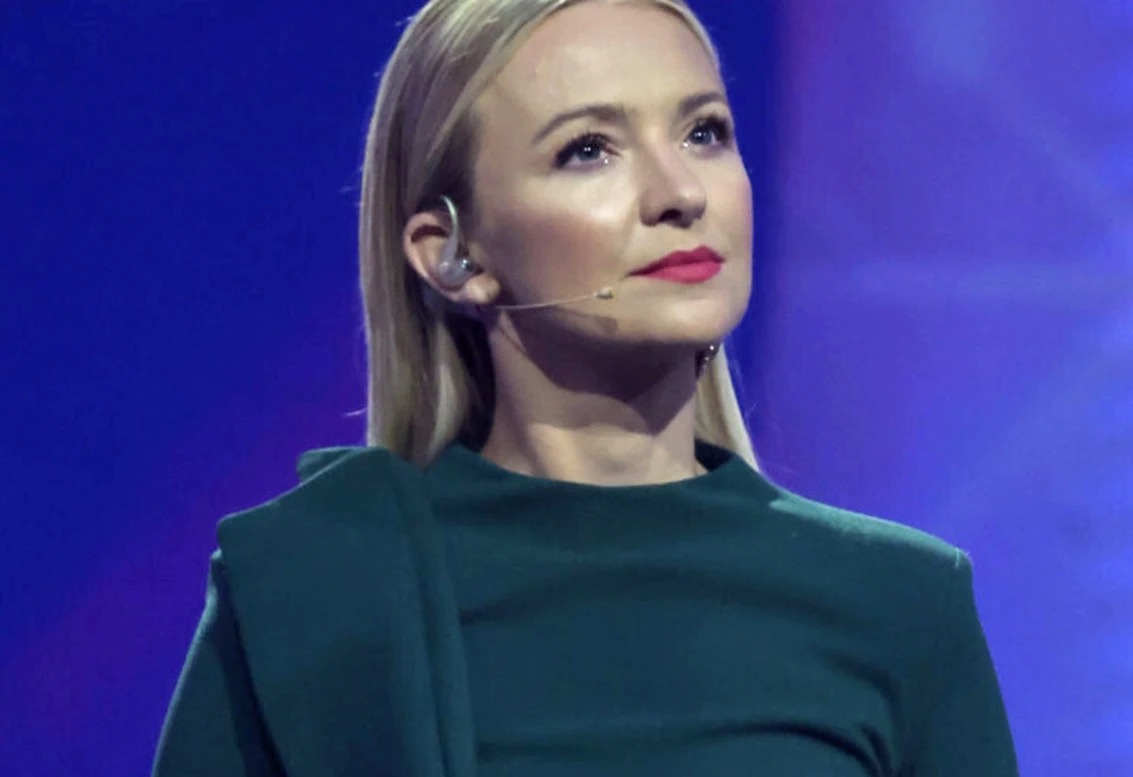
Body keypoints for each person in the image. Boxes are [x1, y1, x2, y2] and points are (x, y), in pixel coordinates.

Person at [152, 0, 1019, 774]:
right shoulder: (311, 590)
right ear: (453, 255)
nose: (679, 193)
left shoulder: (902, 603)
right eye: (588, 150)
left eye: (704, 133)